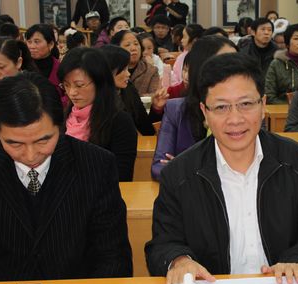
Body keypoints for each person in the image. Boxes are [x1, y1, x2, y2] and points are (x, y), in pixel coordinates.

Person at [144, 53, 298, 284]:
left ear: (263, 105)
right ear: (205, 112)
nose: (235, 119)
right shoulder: (179, 174)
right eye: (221, 107)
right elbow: (163, 243)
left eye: (245, 104)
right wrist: (179, 260)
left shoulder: (297, 160)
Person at [0, 72, 132, 281]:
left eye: (43, 141)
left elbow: (113, 257)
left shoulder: (96, 165)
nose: (31, 155)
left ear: (60, 126)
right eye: (15, 143)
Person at [151, 35, 237, 178]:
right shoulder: (175, 109)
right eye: (226, 62)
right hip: (189, 191)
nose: (236, 69)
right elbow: (158, 167)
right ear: (201, 67)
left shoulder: (249, 108)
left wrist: (185, 167)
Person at [58, 47, 138, 181]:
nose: (72, 92)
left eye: (79, 85)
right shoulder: (64, 118)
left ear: (99, 83)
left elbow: (121, 175)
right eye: (66, 85)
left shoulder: (119, 122)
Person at [100, 44, 166, 136]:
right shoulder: (97, 99)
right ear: (108, 70)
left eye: (127, 68)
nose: (128, 74)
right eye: (123, 69)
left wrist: (156, 108)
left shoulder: (128, 89)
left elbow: (145, 127)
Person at [265, 23, 298, 104]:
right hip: (283, 108)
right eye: (296, 39)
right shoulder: (276, 64)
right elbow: (269, 96)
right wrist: (291, 107)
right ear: (287, 44)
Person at [24, 24, 66, 104]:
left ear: (51, 44)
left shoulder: (61, 69)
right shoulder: (22, 68)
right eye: (29, 42)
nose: (32, 46)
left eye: (37, 42)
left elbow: (68, 95)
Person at [111, 30, 160, 97]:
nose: (133, 48)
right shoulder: (112, 69)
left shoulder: (151, 70)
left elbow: (154, 95)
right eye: (127, 45)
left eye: (136, 44)